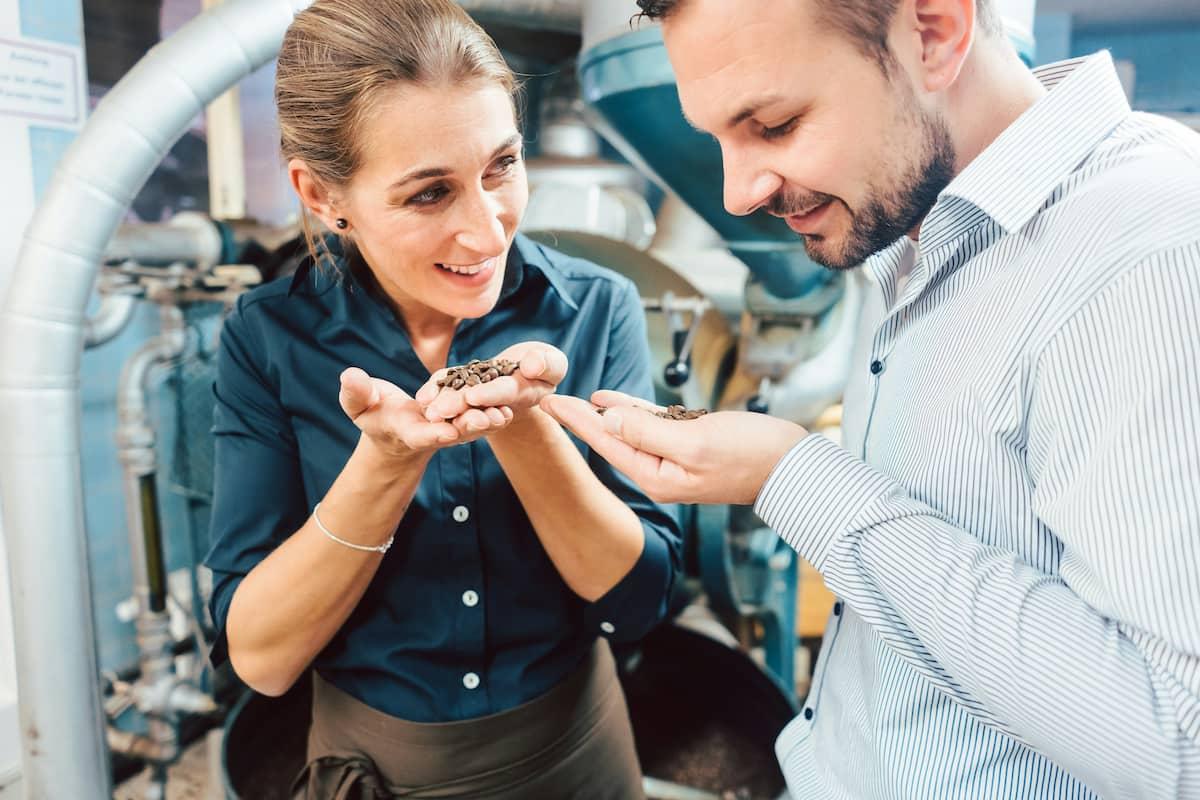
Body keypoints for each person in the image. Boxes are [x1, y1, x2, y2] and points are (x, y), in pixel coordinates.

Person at [541, 0, 1200, 797]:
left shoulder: (1152, 246)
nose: (738, 191)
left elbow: (1174, 740)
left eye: (775, 124)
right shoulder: (910, 233)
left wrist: (792, 475)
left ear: (934, 33)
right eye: (717, 137)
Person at [203, 1, 681, 797]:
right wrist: (386, 463)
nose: (489, 232)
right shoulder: (269, 338)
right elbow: (262, 658)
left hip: (576, 752)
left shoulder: (597, 309)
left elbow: (639, 602)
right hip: (379, 767)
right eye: (430, 195)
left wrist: (523, 422)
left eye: (501, 166)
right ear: (324, 196)